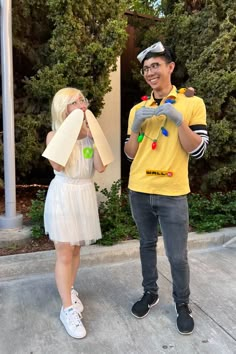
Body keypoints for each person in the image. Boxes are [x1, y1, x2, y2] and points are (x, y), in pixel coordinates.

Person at [124, 41, 208, 335]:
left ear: (170, 67)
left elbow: (197, 151)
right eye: (146, 68)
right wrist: (134, 127)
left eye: (155, 66)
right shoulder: (139, 107)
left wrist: (179, 121)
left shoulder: (192, 103)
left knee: (177, 255)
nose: (150, 72)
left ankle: (182, 303)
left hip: (173, 193)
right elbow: (130, 153)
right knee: (146, 245)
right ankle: (150, 292)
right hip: (140, 190)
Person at [44, 87, 106, 339]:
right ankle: (67, 309)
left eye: (83, 100)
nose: (82, 104)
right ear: (63, 109)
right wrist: (75, 133)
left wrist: (93, 135)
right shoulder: (54, 135)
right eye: (75, 102)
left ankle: (69, 289)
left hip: (84, 194)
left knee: (77, 249)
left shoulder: (91, 135)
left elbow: (101, 167)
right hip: (64, 195)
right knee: (65, 252)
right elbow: (57, 164)